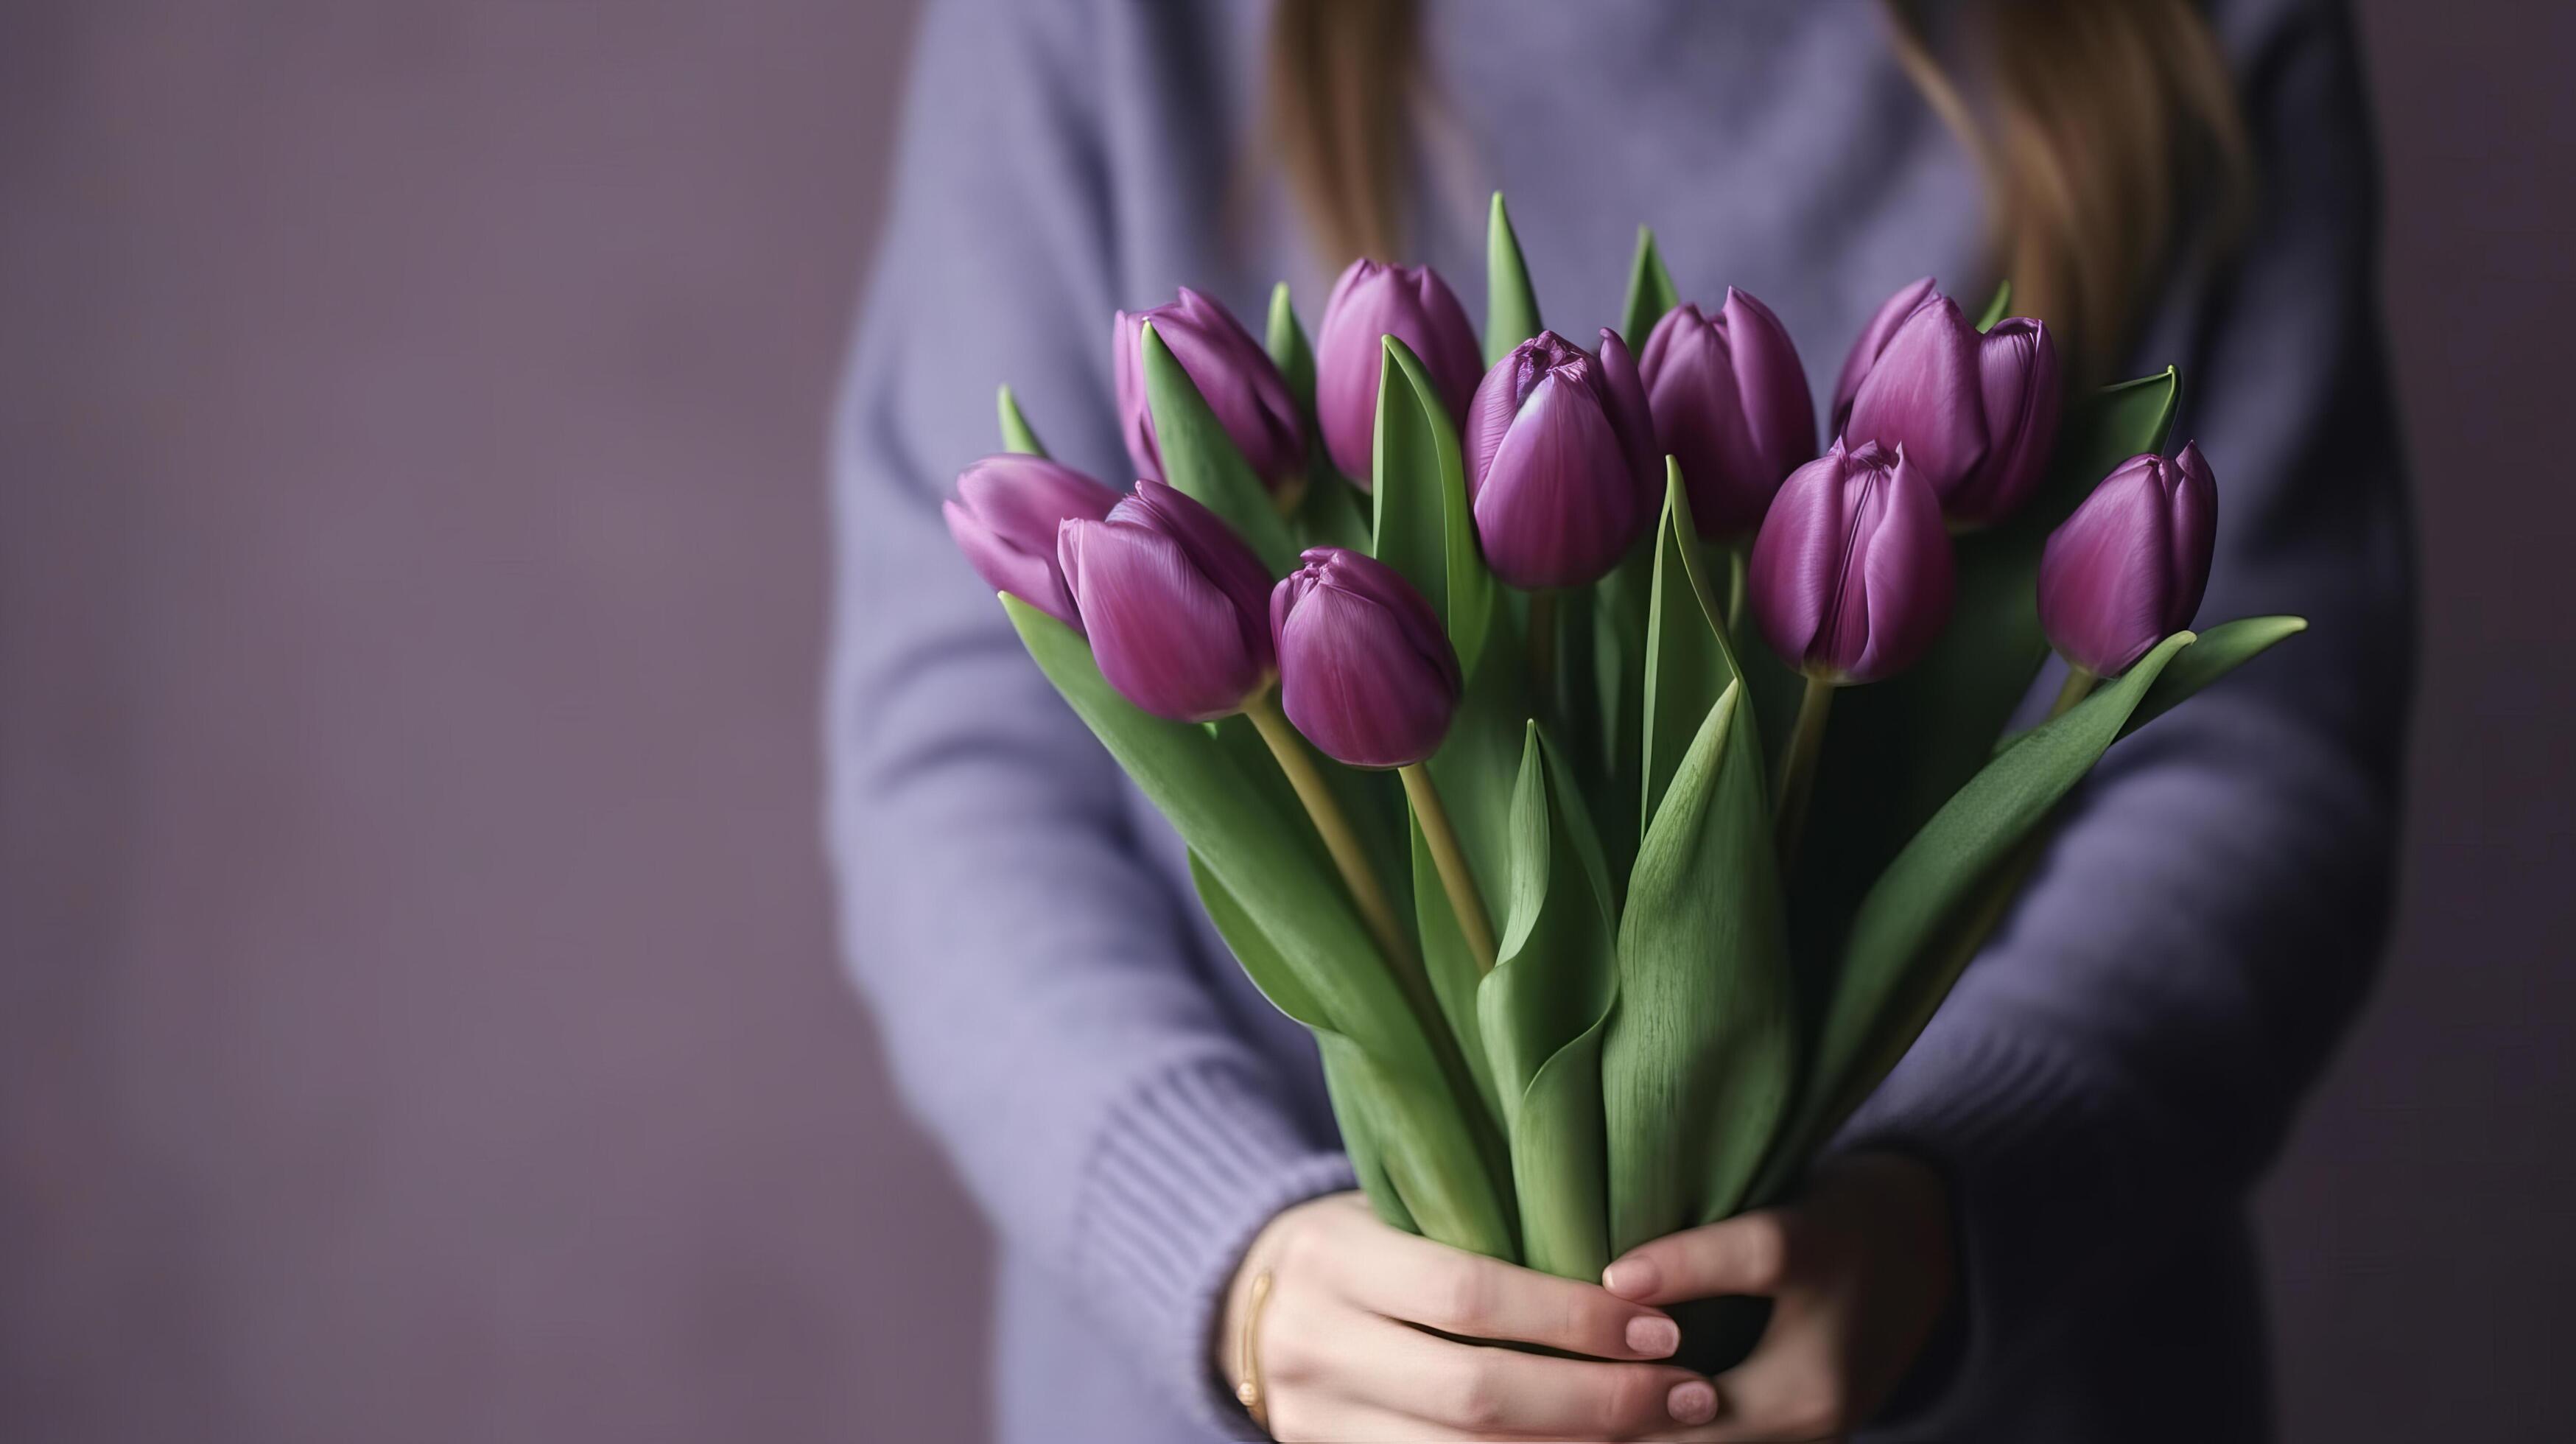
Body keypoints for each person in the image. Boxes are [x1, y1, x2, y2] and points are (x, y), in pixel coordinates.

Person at [825, 1, 2410, 1439]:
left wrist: (1955, 1202)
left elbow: (2257, 749)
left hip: (1979, 1375)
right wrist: (1227, 1245)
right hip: (1280, 1386)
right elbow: (958, 754)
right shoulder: (1104, 26)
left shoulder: (2183, 27)